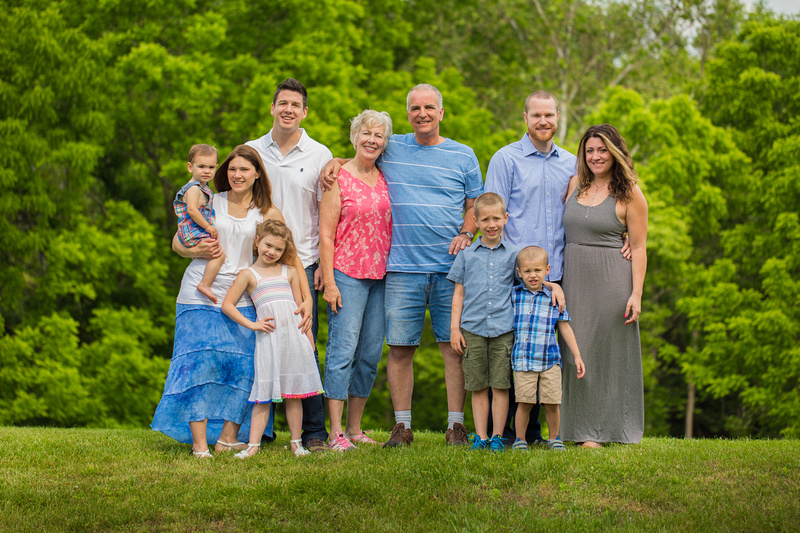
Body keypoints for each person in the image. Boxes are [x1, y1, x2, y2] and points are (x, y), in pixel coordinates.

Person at [321, 84, 483, 447]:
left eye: (429, 107)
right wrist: (331, 163)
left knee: (451, 347)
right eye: (415, 108)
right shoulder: (393, 147)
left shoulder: (464, 155)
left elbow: (473, 206)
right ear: (408, 114)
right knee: (399, 348)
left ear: (441, 112)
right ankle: (402, 426)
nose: (422, 113)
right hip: (399, 269)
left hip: (449, 268)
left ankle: (456, 426)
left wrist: (467, 234)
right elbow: (360, 153)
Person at [152, 145, 312, 458]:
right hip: (199, 295)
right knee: (198, 366)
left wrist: (305, 299)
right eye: (233, 169)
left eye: (245, 170)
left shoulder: (267, 213)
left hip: (244, 299)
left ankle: (227, 438)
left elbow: (291, 257)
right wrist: (193, 251)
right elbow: (177, 241)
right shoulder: (211, 200)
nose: (237, 175)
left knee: (244, 369)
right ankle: (200, 446)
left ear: (257, 175)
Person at [484, 90, 574, 444]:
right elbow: (492, 219)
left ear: (557, 117)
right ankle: (503, 432)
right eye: (536, 115)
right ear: (525, 118)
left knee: (541, 347)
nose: (543, 121)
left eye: (549, 115)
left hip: (554, 274)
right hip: (513, 275)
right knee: (509, 349)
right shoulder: (506, 160)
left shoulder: (570, 163)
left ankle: (534, 432)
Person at [247, 78, 332, 453]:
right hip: (256, 263)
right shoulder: (251, 151)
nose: (288, 110)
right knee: (257, 340)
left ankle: (312, 432)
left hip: (302, 261)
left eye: (295, 105)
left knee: (303, 341)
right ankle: (259, 432)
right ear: (272, 107)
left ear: (305, 112)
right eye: (282, 103)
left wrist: (319, 267)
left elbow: (326, 214)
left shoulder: (319, 154)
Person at [560, 124, 648, 447]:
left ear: (615, 152)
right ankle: (571, 427)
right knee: (574, 352)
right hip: (574, 280)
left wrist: (636, 294)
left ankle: (599, 432)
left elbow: (638, 247)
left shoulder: (630, 193)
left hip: (612, 280)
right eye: (590, 150)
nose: (596, 156)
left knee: (605, 353)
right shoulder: (574, 184)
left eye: (602, 150)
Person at [319, 110, 393, 451]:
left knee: (369, 355)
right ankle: (334, 432)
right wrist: (330, 281)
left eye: (379, 136)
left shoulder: (385, 176)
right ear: (355, 136)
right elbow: (326, 234)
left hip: (381, 276)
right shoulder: (338, 178)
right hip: (347, 274)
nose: (372, 140)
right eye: (367, 133)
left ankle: (355, 428)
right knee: (342, 352)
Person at [221, 220, 324, 458]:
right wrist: (253, 324)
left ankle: (296, 443)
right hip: (269, 340)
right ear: (257, 241)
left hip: (295, 340)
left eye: (278, 249)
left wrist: (309, 342)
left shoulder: (289, 272)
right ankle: (253, 446)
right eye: (268, 245)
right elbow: (228, 305)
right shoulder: (249, 274)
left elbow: (300, 309)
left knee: (295, 393)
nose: (272, 252)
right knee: (264, 395)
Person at [447, 193, 517, 453]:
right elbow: (459, 293)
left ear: (505, 218)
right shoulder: (467, 255)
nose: (491, 224)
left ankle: (498, 436)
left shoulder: (514, 254)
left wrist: (553, 287)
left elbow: (527, 286)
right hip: (472, 330)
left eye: (496, 218)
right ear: (475, 221)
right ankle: (481, 436)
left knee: (500, 385)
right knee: (477, 385)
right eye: (485, 219)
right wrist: (455, 329)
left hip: (503, 330)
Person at [511, 246, 585, 452]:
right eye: (527, 271)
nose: (533, 275)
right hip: (523, 361)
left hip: (550, 361)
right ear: (519, 273)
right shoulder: (514, 296)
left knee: (552, 403)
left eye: (537, 270)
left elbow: (565, 327)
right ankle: (520, 440)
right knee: (524, 403)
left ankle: (554, 438)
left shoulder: (554, 298)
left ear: (547, 270)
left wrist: (577, 356)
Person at [174, 144, 226, 303]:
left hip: (195, 230)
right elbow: (192, 210)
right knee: (220, 255)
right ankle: (205, 284)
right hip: (192, 231)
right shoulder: (193, 189)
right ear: (190, 167)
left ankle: (206, 282)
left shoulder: (204, 188)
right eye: (201, 166)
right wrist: (208, 227)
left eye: (211, 167)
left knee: (216, 254)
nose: (206, 171)